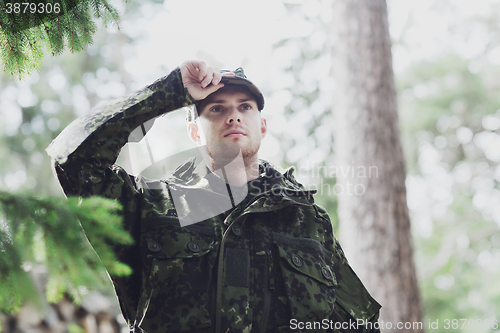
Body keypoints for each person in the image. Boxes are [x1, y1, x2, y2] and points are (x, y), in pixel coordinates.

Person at [47, 60, 381, 332]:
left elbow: (360, 323)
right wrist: (171, 91)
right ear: (194, 131)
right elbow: (72, 157)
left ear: (262, 126)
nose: (233, 115)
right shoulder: (149, 207)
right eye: (217, 109)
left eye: (245, 107)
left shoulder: (307, 220)